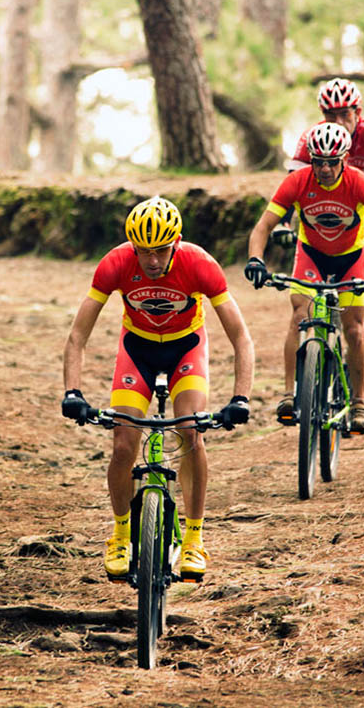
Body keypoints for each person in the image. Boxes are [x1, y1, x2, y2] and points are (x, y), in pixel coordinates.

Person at [62, 196, 254, 583]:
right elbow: (77, 336)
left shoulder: (199, 264)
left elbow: (241, 337)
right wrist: (73, 392)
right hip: (138, 351)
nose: (152, 260)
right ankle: (120, 533)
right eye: (144, 251)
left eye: (161, 250)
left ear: (177, 242)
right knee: (122, 443)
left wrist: (241, 398)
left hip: (187, 348)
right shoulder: (116, 263)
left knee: (191, 433)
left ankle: (194, 538)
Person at [244, 122, 364, 434]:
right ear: (311, 160)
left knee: (355, 329)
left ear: (344, 159)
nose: (326, 169)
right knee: (299, 314)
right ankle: (289, 395)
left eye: (333, 162)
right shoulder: (298, 181)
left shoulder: (359, 182)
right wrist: (255, 260)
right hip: (311, 255)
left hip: (351, 258)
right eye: (319, 162)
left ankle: (359, 402)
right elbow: (263, 226)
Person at [282, 78, 364, 382]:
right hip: (335, 215)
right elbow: (292, 186)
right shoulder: (313, 138)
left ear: (359, 111)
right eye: (331, 115)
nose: (339, 122)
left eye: (345, 114)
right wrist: (283, 222)